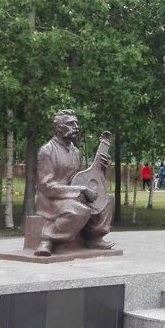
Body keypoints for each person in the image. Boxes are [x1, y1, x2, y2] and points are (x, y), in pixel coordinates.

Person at [33, 110, 114, 257]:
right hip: (53, 199)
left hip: (73, 194)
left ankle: (94, 237)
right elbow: (45, 186)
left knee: (107, 199)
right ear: (59, 127)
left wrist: (102, 168)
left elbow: (79, 177)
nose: (76, 127)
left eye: (76, 123)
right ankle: (48, 240)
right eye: (70, 123)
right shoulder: (47, 151)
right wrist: (79, 190)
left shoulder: (75, 151)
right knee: (79, 210)